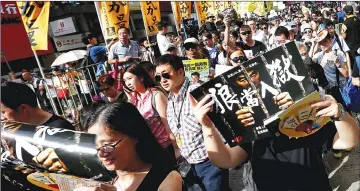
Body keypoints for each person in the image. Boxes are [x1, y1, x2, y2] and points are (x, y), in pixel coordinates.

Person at [189, 89, 359, 190]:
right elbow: (226, 160)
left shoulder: (306, 121)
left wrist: (340, 114)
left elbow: (348, 142)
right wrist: (207, 127)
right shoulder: (253, 130)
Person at [154, 54, 231, 191]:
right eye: (158, 77)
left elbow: (217, 127)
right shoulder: (170, 98)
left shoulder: (196, 92)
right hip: (188, 163)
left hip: (209, 162)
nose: (162, 80)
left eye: (166, 75)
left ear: (180, 72)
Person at [77, 102, 182, 191]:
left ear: (134, 136)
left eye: (107, 144)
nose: (101, 154)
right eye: (95, 146)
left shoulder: (167, 178)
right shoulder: (102, 180)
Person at [1, 82, 76, 191]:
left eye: (3, 112)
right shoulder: (17, 128)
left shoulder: (60, 130)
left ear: (23, 109)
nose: (2, 117)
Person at [122, 64, 178, 161]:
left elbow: (169, 124)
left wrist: (176, 148)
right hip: (149, 149)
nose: (127, 83)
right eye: (125, 81)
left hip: (166, 148)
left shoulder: (156, 96)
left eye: (130, 78)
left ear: (141, 77)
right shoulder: (133, 99)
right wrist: (130, 103)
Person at [341, 5, 360, 75]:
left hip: (351, 47)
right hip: (359, 45)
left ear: (345, 13)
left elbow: (344, 36)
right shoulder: (358, 19)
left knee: (355, 65)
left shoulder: (345, 23)